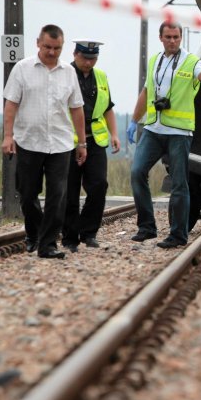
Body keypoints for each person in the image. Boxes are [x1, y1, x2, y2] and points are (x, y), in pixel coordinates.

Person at [127, 21, 201, 248]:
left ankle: (178, 234)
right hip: (153, 128)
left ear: (180, 38)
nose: (173, 41)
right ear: (161, 38)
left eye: (176, 37)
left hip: (179, 132)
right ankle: (147, 227)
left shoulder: (190, 61)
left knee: (179, 184)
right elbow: (146, 91)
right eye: (168, 37)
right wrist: (133, 121)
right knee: (137, 172)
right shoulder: (155, 60)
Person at [1, 24, 87, 259]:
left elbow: (77, 108)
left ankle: (48, 244)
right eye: (48, 47)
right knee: (27, 194)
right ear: (38, 43)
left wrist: (81, 143)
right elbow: (11, 104)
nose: (51, 52)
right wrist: (8, 136)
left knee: (57, 195)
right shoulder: (22, 69)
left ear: (62, 46)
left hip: (60, 143)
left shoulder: (69, 72)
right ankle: (34, 233)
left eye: (57, 48)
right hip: (29, 141)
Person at [61, 40, 121, 252]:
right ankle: (69, 237)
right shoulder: (64, 74)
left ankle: (88, 232)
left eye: (93, 58)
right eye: (85, 57)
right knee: (70, 190)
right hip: (68, 141)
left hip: (95, 140)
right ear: (75, 54)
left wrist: (114, 134)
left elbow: (108, 108)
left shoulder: (101, 77)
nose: (88, 62)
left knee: (99, 185)